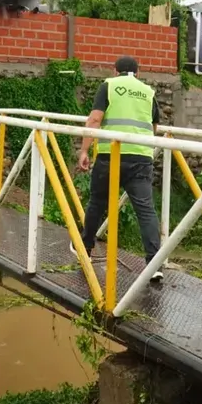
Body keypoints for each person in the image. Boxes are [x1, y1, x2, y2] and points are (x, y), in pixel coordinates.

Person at [74, 56, 163, 282]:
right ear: (138, 72)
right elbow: (153, 126)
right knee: (145, 210)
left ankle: (85, 248)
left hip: (110, 156)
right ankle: (154, 263)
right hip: (141, 156)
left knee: (98, 201)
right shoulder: (147, 91)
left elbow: (95, 120)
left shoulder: (109, 86)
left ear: (115, 71)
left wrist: (84, 150)